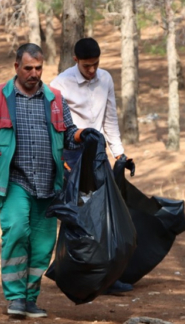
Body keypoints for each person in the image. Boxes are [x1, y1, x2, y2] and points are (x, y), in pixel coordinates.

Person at [0, 43, 85, 319]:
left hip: (50, 184)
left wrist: (80, 136)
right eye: (28, 68)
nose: (34, 73)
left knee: (42, 244)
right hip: (14, 182)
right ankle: (15, 297)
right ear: (17, 67)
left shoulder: (55, 99)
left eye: (39, 68)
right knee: (16, 233)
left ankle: (30, 298)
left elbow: (69, 133)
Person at [51, 37, 136, 295]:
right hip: (72, 155)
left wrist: (120, 154)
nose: (92, 70)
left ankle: (106, 277)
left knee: (104, 216)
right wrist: (61, 161)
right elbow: (55, 128)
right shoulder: (60, 84)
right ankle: (75, 274)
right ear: (75, 60)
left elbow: (110, 119)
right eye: (87, 65)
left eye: (96, 64)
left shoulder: (106, 79)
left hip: (97, 154)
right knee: (80, 217)